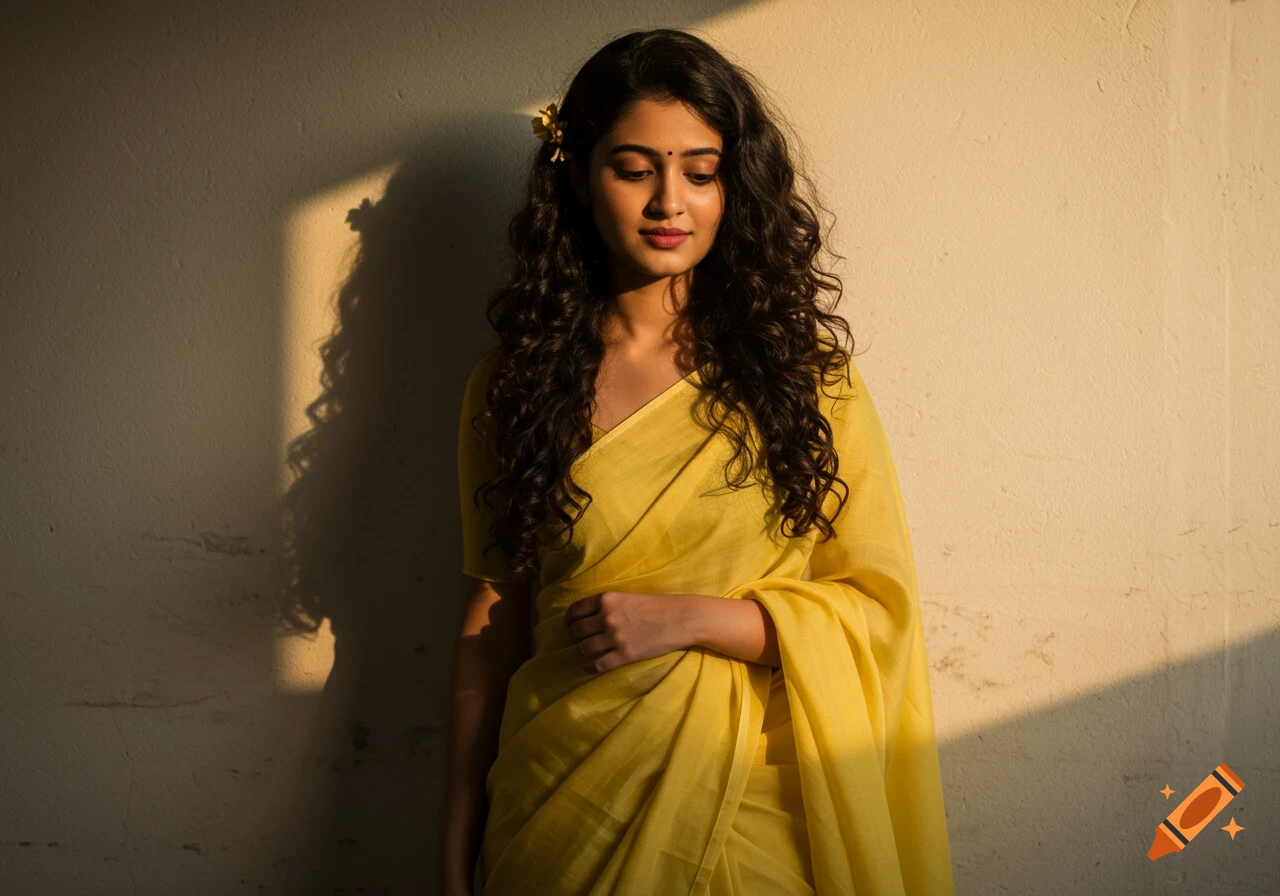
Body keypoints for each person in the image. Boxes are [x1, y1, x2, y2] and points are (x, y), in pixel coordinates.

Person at [441, 28, 955, 896]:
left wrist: (695, 621)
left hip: (754, 814)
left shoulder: (807, 383)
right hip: (560, 812)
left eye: (700, 171)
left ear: (733, 183)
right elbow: (489, 637)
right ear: (577, 174)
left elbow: (876, 613)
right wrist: (454, 858)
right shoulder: (514, 387)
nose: (668, 202)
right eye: (634, 168)